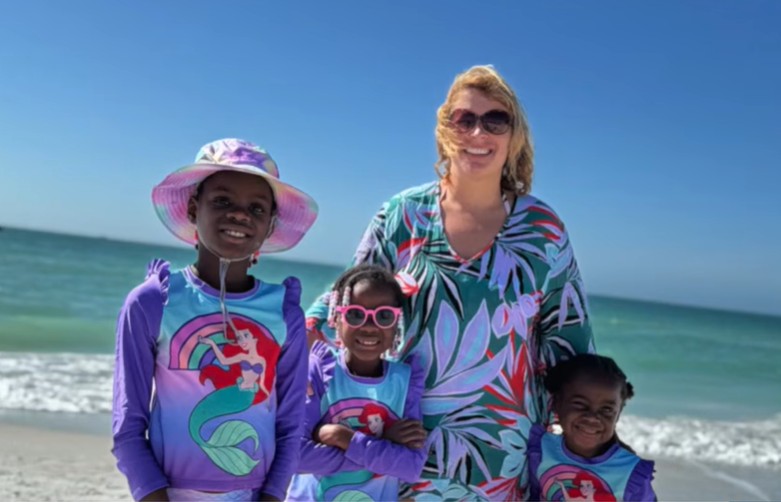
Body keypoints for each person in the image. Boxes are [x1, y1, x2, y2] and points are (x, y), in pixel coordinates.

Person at [306, 65, 595, 500]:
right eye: (465, 119)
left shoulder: (543, 229)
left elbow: (568, 340)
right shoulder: (403, 214)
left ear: (514, 136)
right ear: (445, 131)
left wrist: (586, 443)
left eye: (496, 120)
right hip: (402, 436)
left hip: (501, 450)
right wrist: (284, 355)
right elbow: (346, 302)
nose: (479, 133)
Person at [112, 138, 318, 501]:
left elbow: (289, 425)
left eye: (257, 209)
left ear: (270, 225)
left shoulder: (284, 313)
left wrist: (271, 496)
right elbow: (128, 426)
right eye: (222, 201)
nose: (240, 214)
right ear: (194, 208)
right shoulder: (152, 302)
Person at [288, 265, 427, 501]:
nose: (369, 326)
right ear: (336, 318)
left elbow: (410, 467)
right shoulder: (320, 371)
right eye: (355, 314)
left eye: (384, 316)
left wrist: (346, 439)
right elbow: (296, 456)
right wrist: (383, 444)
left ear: (397, 324)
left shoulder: (405, 381)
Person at [528, 354, 656, 501]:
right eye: (579, 404)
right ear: (557, 402)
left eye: (606, 409)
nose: (592, 417)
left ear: (618, 413)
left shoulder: (630, 473)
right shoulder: (541, 450)